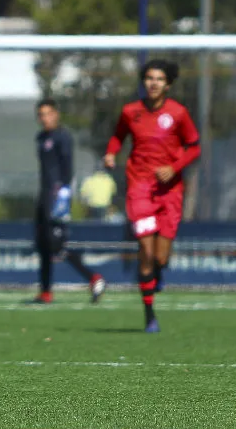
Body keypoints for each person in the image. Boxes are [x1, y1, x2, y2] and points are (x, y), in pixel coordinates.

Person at [104, 59, 200, 333]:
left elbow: (194, 147)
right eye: (149, 78)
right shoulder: (130, 111)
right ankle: (149, 315)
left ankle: (157, 273)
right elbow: (118, 136)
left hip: (170, 192)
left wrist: (174, 167)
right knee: (146, 252)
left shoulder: (178, 113)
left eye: (159, 79)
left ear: (167, 84)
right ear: (143, 82)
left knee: (161, 258)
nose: (153, 83)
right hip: (141, 189)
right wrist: (111, 153)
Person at [33, 99, 106, 304]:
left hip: (57, 196)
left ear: (56, 114)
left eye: (48, 114)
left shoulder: (63, 137)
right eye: (41, 114)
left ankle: (94, 278)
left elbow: (67, 170)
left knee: (57, 245)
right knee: (43, 245)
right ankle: (46, 291)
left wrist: (63, 198)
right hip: (43, 195)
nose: (44, 118)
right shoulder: (41, 137)